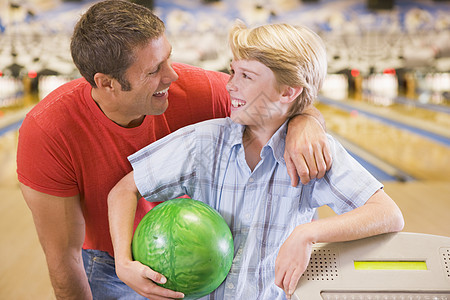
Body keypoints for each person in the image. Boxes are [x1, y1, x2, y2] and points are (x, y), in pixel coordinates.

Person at [16, 1, 332, 299]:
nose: (173, 75)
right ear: (107, 83)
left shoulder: (202, 90)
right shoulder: (48, 130)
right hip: (111, 263)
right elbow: (63, 256)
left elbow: (280, 101)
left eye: (168, 57)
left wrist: (307, 120)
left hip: (205, 249)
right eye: (154, 70)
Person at [108, 21, 405, 300]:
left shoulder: (313, 153)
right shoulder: (204, 141)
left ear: (288, 91)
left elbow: (388, 214)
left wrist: (309, 233)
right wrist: (123, 262)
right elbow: (122, 190)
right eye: (232, 71)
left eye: (246, 76)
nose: (230, 85)